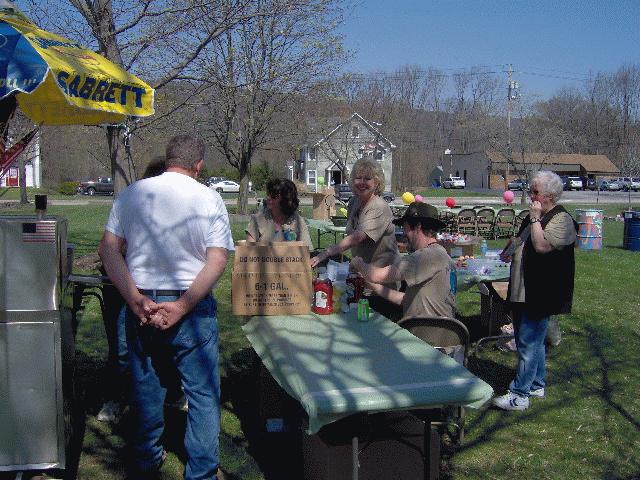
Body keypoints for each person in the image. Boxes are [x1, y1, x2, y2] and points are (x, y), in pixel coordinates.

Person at [98, 135, 234, 479]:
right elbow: (217, 259)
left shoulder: (133, 193)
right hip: (192, 303)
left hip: (143, 299)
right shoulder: (210, 198)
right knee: (202, 394)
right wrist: (184, 305)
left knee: (146, 389)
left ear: (168, 158)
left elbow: (109, 250)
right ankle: (201, 470)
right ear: (198, 165)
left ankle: (146, 460)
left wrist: (134, 298)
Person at [492, 170, 576, 411]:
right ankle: (536, 383)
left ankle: (519, 394)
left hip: (542, 291)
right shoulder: (533, 218)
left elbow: (541, 246)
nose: (530, 196)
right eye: (530, 191)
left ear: (549, 195)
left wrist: (536, 219)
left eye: (535, 191)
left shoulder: (562, 220)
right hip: (522, 289)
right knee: (531, 340)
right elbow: (523, 241)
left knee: (528, 342)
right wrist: (510, 248)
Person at [97, 155, 170, 423]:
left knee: (165, 349)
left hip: (163, 290)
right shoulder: (132, 204)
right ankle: (116, 398)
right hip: (128, 289)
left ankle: (169, 395)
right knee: (123, 349)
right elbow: (108, 248)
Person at [310, 158, 399, 316]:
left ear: (377, 182)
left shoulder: (378, 206)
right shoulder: (354, 203)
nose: (362, 182)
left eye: (368, 178)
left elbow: (357, 237)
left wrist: (326, 252)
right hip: (360, 281)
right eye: (358, 178)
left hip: (382, 285)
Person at [350, 202, 455, 320]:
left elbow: (376, 276)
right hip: (440, 331)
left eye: (405, 228)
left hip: (422, 332)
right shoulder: (441, 253)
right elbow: (406, 300)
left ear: (418, 227)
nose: (404, 233)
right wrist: (372, 285)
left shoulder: (423, 257)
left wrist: (357, 262)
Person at [246, 177, 313, 249]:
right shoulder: (257, 220)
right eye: (268, 194)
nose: (268, 198)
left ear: (286, 199)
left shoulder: (298, 221)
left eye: (274, 196)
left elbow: (306, 252)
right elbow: (249, 251)